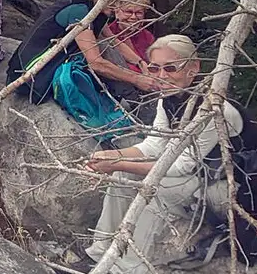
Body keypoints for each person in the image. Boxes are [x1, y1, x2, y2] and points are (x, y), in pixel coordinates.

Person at [82, 35, 246, 272]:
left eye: (171, 67)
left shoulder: (214, 108)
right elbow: (154, 146)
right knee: (121, 178)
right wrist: (112, 156)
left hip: (233, 188)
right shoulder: (168, 98)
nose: (161, 76)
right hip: (203, 175)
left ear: (194, 68)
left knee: (159, 189)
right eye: (154, 68)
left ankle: (126, 268)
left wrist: (120, 163)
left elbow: (181, 167)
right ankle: (100, 253)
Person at [11, 0, 160, 103]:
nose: (117, 7)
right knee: (100, 49)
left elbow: (113, 41)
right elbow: (96, 63)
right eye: (115, 0)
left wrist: (141, 63)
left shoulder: (95, 8)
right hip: (32, 73)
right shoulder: (80, 11)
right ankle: (132, 98)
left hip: (47, 64)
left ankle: (129, 96)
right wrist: (135, 79)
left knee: (104, 45)